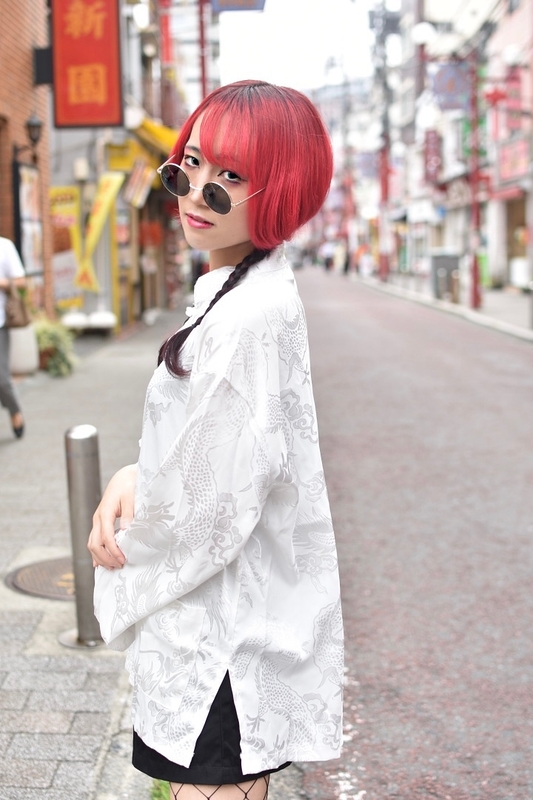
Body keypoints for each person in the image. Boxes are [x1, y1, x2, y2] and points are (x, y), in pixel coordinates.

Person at [88, 80, 344, 800]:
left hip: (220, 639)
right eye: (192, 164)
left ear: (281, 189)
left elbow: (211, 507)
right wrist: (134, 476)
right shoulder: (238, 288)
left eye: (231, 176)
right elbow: (214, 455)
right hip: (227, 623)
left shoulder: (245, 316)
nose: (198, 193)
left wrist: (125, 560)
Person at [0, 237, 26, 438]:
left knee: (1, 378)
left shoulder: (4, 246)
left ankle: (14, 410)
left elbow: (21, 281)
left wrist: (3, 282)